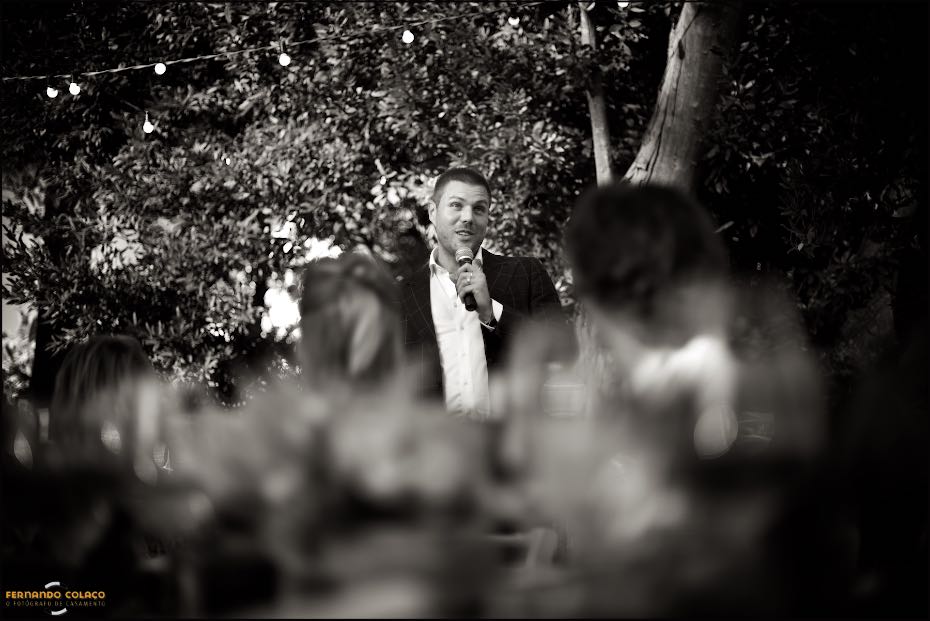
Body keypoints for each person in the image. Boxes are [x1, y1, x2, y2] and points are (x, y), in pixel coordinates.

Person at [400, 167, 564, 418]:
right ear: (432, 212)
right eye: (456, 205)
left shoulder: (526, 273)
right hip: (435, 449)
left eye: (479, 208)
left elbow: (560, 353)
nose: (468, 217)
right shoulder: (400, 295)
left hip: (513, 446)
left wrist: (491, 312)